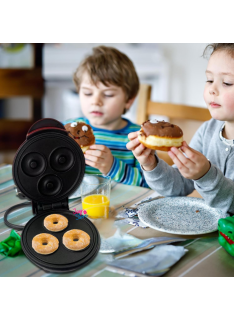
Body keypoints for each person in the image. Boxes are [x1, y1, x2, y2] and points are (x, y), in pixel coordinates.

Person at [127, 43, 234, 214]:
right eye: (209, 80)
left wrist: (206, 176)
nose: (212, 89)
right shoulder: (208, 131)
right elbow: (179, 186)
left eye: (227, 82)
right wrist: (151, 165)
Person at [64, 45, 148, 187]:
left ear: (128, 100)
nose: (96, 101)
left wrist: (112, 167)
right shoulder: (65, 131)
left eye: (108, 94)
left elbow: (149, 185)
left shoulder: (138, 140)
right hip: (77, 206)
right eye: (88, 93)